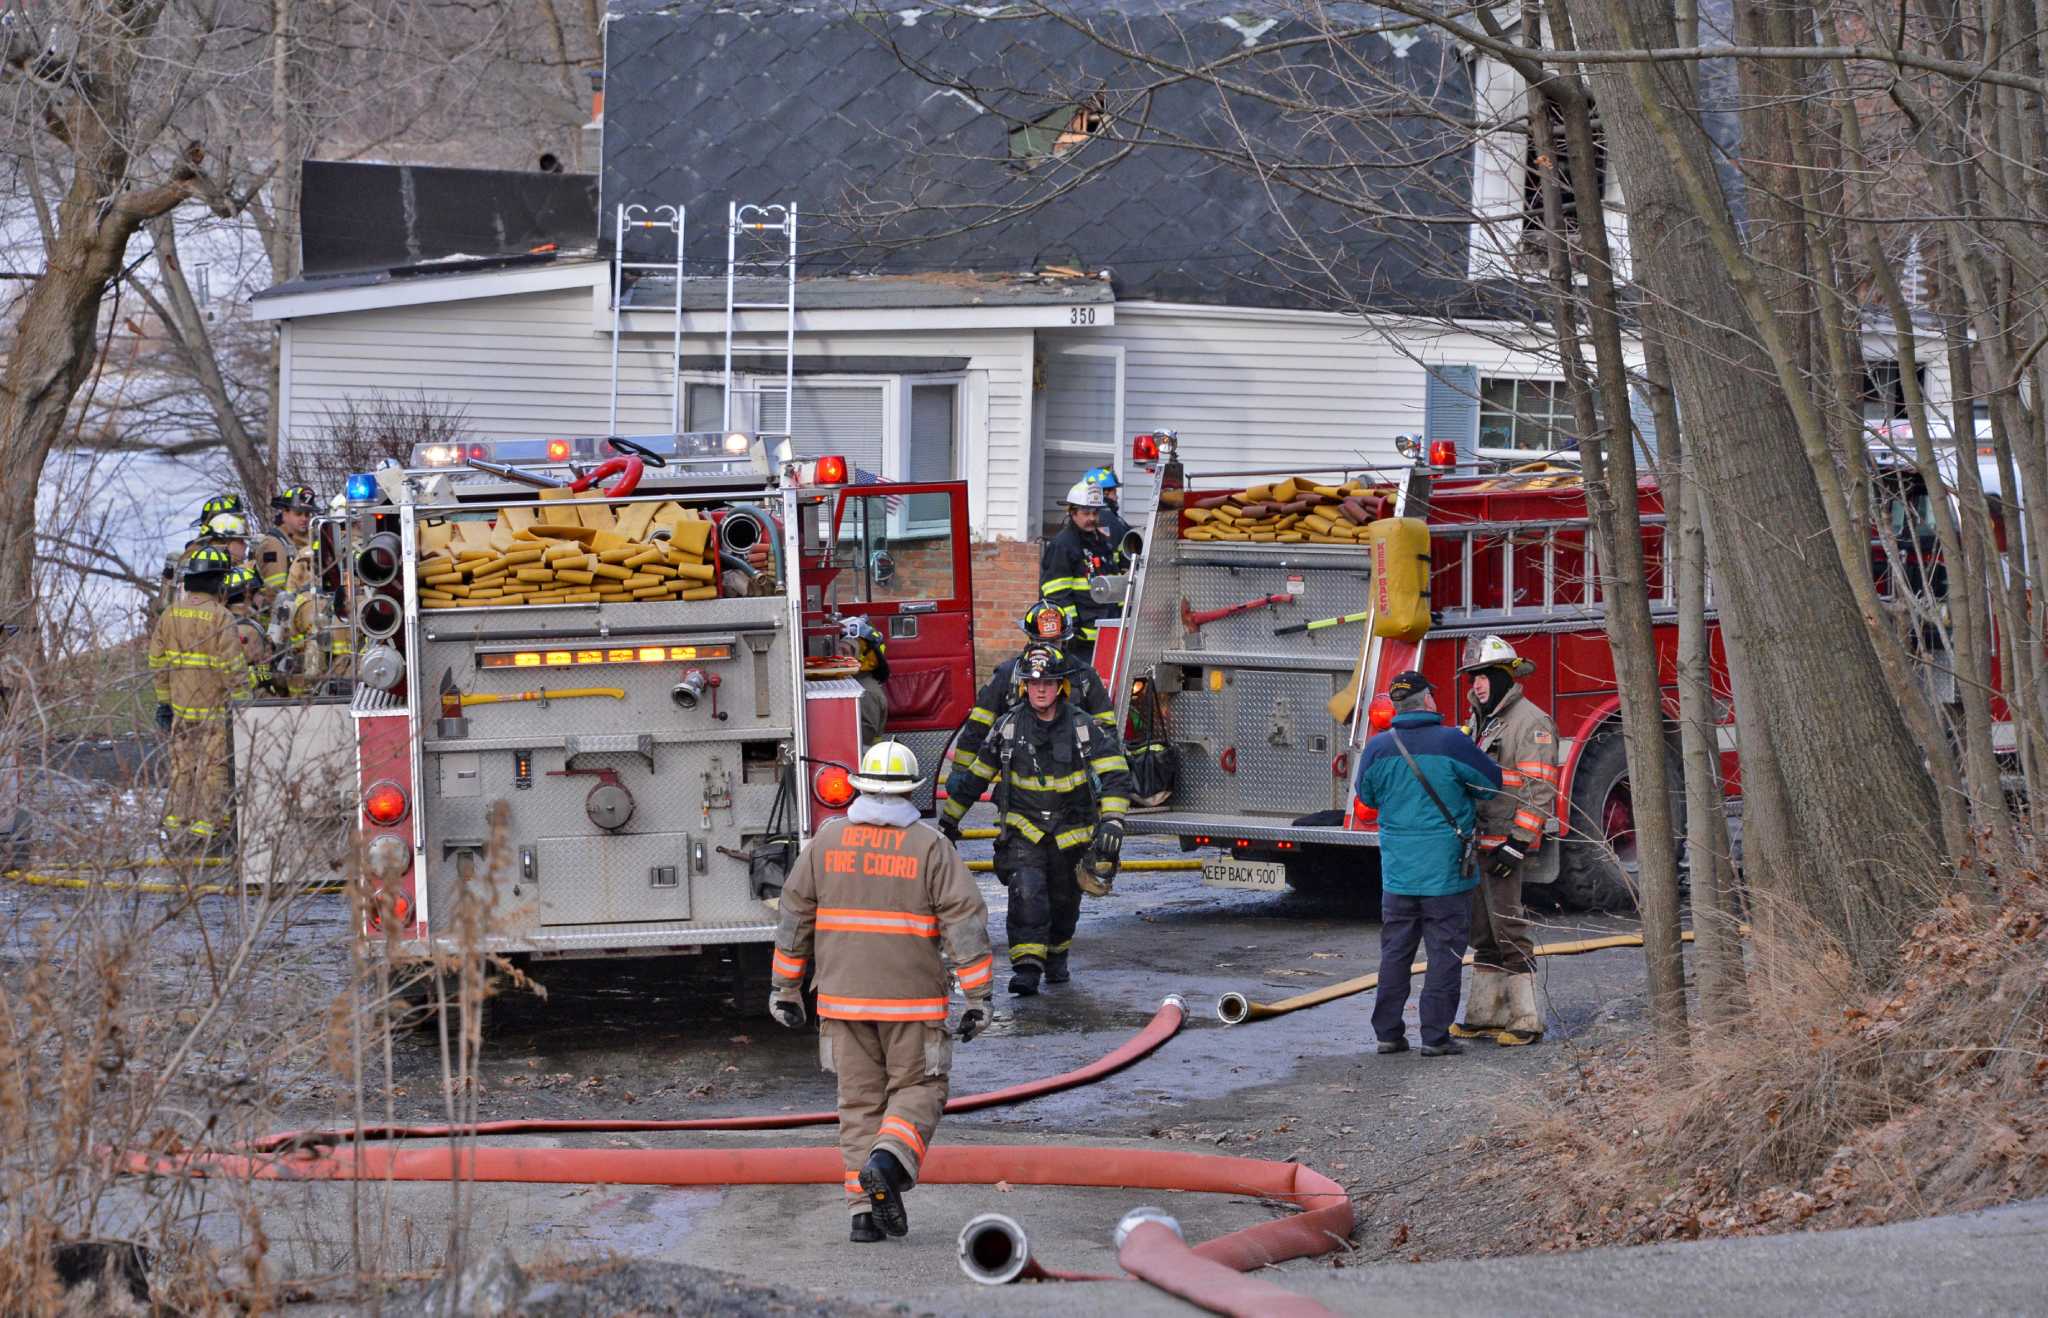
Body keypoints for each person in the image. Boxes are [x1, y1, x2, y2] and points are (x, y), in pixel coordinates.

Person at [768, 740, 993, 1244]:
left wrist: (785, 988)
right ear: (912, 790)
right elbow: (965, 923)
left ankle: (862, 1217)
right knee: (919, 1090)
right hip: (911, 1003)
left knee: (859, 1103)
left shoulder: (826, 843)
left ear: (861, 787)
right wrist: (979, 998)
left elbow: (793, 916)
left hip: (841, 1002)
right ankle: (888, 1164)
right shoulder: (931, 847)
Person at [945, 646, 1131, 995]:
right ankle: (1027, 970)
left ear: (1060, 686)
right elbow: (976, 779)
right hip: (1023, 833)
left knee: (1064, 902)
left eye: (1047, 682)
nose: (1040, 689)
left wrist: (1114, 822)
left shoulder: (1083, 728)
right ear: (1023, 687)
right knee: (1026, 892)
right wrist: (948, 824)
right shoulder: (1008, 728)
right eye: (1033, 683)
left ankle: (1056, 957)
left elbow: (1116, 775)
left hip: (1072, 836)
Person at [1354, 670, 1502, 1057]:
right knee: (1443, 955)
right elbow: (1492, 783)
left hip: (1398, 876)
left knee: (1395, 954)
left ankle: (1387, 1034)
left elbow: (1366, 795)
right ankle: (1435, 1037)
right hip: (1447, 875)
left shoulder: (1377, 747)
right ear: (1428, 702)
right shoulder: (1452, 742)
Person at [1450, 635, 1561, 1047]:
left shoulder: (1529, 722)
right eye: (1471, 677)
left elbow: (1540, 788)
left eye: (1483, 676)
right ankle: (1485, 1013)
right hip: (1480, 841)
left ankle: (1526, 1018)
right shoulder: (1484, 719)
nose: (1475, 684)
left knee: (1509, 927)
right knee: (1482, 931)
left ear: (1502, 677)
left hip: (1505, 844)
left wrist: (1518, 841)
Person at [939, 603, 1115, 839]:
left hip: (1073, 795)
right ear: (1030, 638)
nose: (1047, 652)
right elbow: (978, 725)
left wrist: (1102, 776)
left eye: (1053, 644)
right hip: (1022, 793)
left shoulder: (1083, 676)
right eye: (1042, 644)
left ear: (1064, 640)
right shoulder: (1009, 674)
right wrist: (961, 771)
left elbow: (1107, 730)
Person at [147, 545, 248, 853]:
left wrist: (165, 701)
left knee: (181, 767)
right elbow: (232, 666)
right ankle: (208, 831)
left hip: (181, 710)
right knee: (212, 769)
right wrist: (244, 702)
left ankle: (177, 827)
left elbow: (157, 661)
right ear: (219, 583)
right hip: (215, 712)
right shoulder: (221, 617)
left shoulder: (170, 615)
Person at [1038, 480, 1118, 668]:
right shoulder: (1064, 545)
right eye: (1086, 513)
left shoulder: (1101, 542)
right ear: (1072, 513)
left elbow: (1113, 582)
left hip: (1106, 632)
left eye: (1095, 512)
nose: (1092, 518)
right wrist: (1071, 628)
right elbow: (1056, 592)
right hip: (1079, 641)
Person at [251, 485, 319, 609]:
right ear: (284, 513)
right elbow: (276, 593)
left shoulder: (311, 541)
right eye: (298, 513)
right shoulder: (273, 544)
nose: (304, 518)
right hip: (281, 617)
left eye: (308, 514)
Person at [840, 616, 890, 747]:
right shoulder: (855, 682)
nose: (839, 655)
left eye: (845, 651)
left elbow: (864, 736)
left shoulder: (865, 692)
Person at [1082, 466, 1133, 567]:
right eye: (1115, 492)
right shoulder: (1105, 517)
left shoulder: (1100, 515)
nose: (1117, 497)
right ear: (1105, 493)